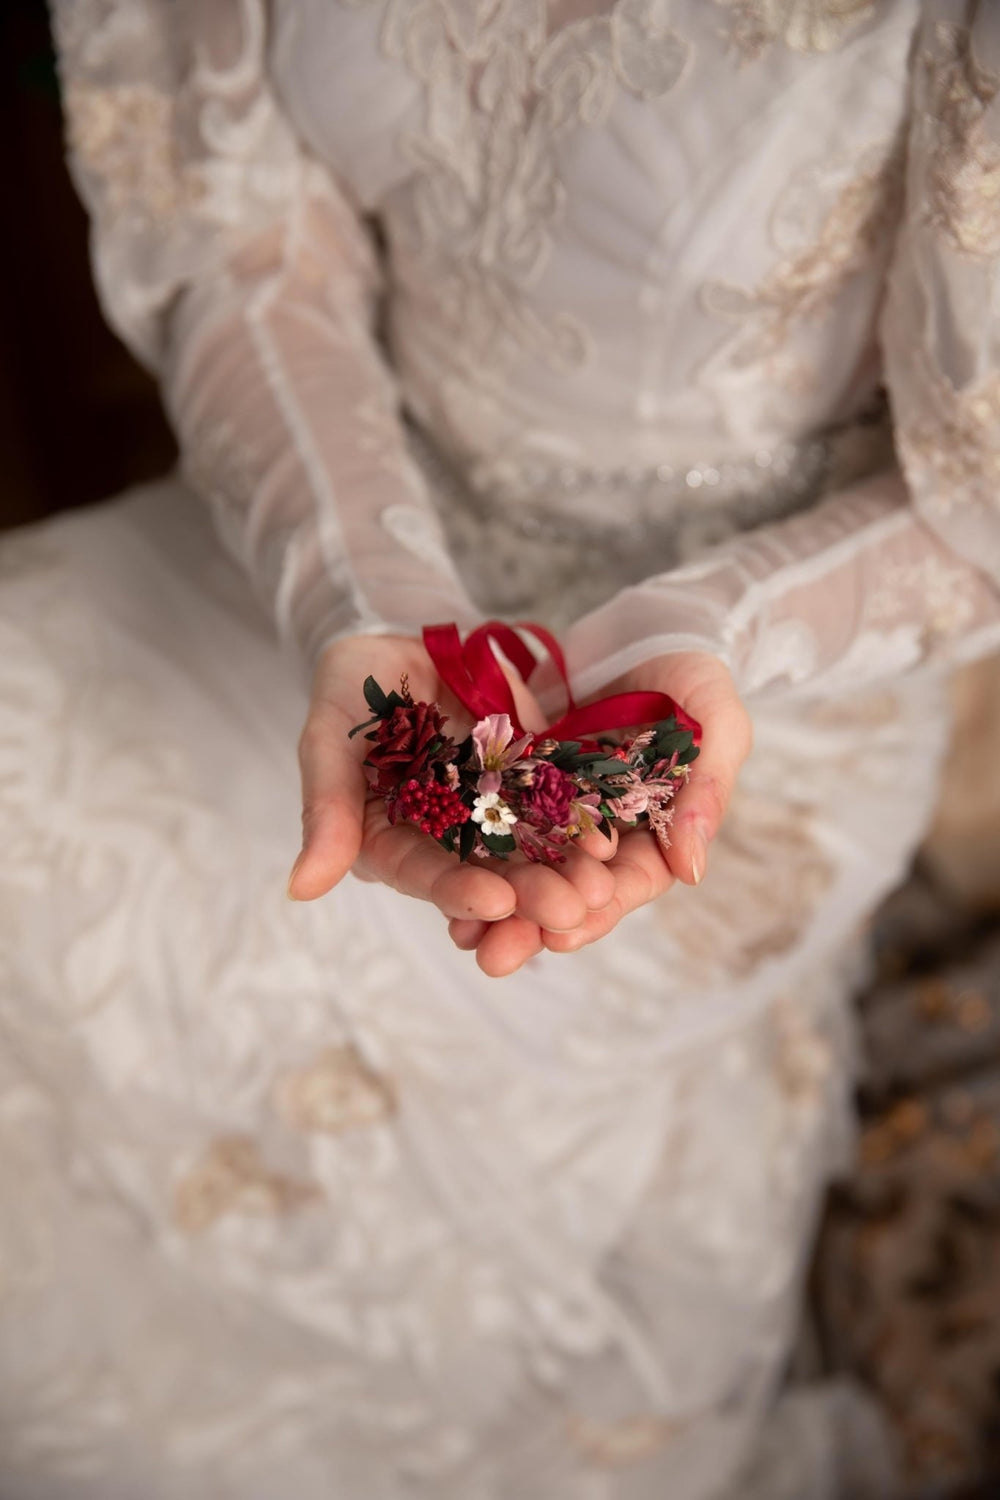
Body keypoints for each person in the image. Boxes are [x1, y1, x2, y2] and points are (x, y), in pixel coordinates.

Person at [0, 0, 997, 1494]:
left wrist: (712, 627)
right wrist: (361, 596)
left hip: (772, 676)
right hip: (353, 530)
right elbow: (240, 239)